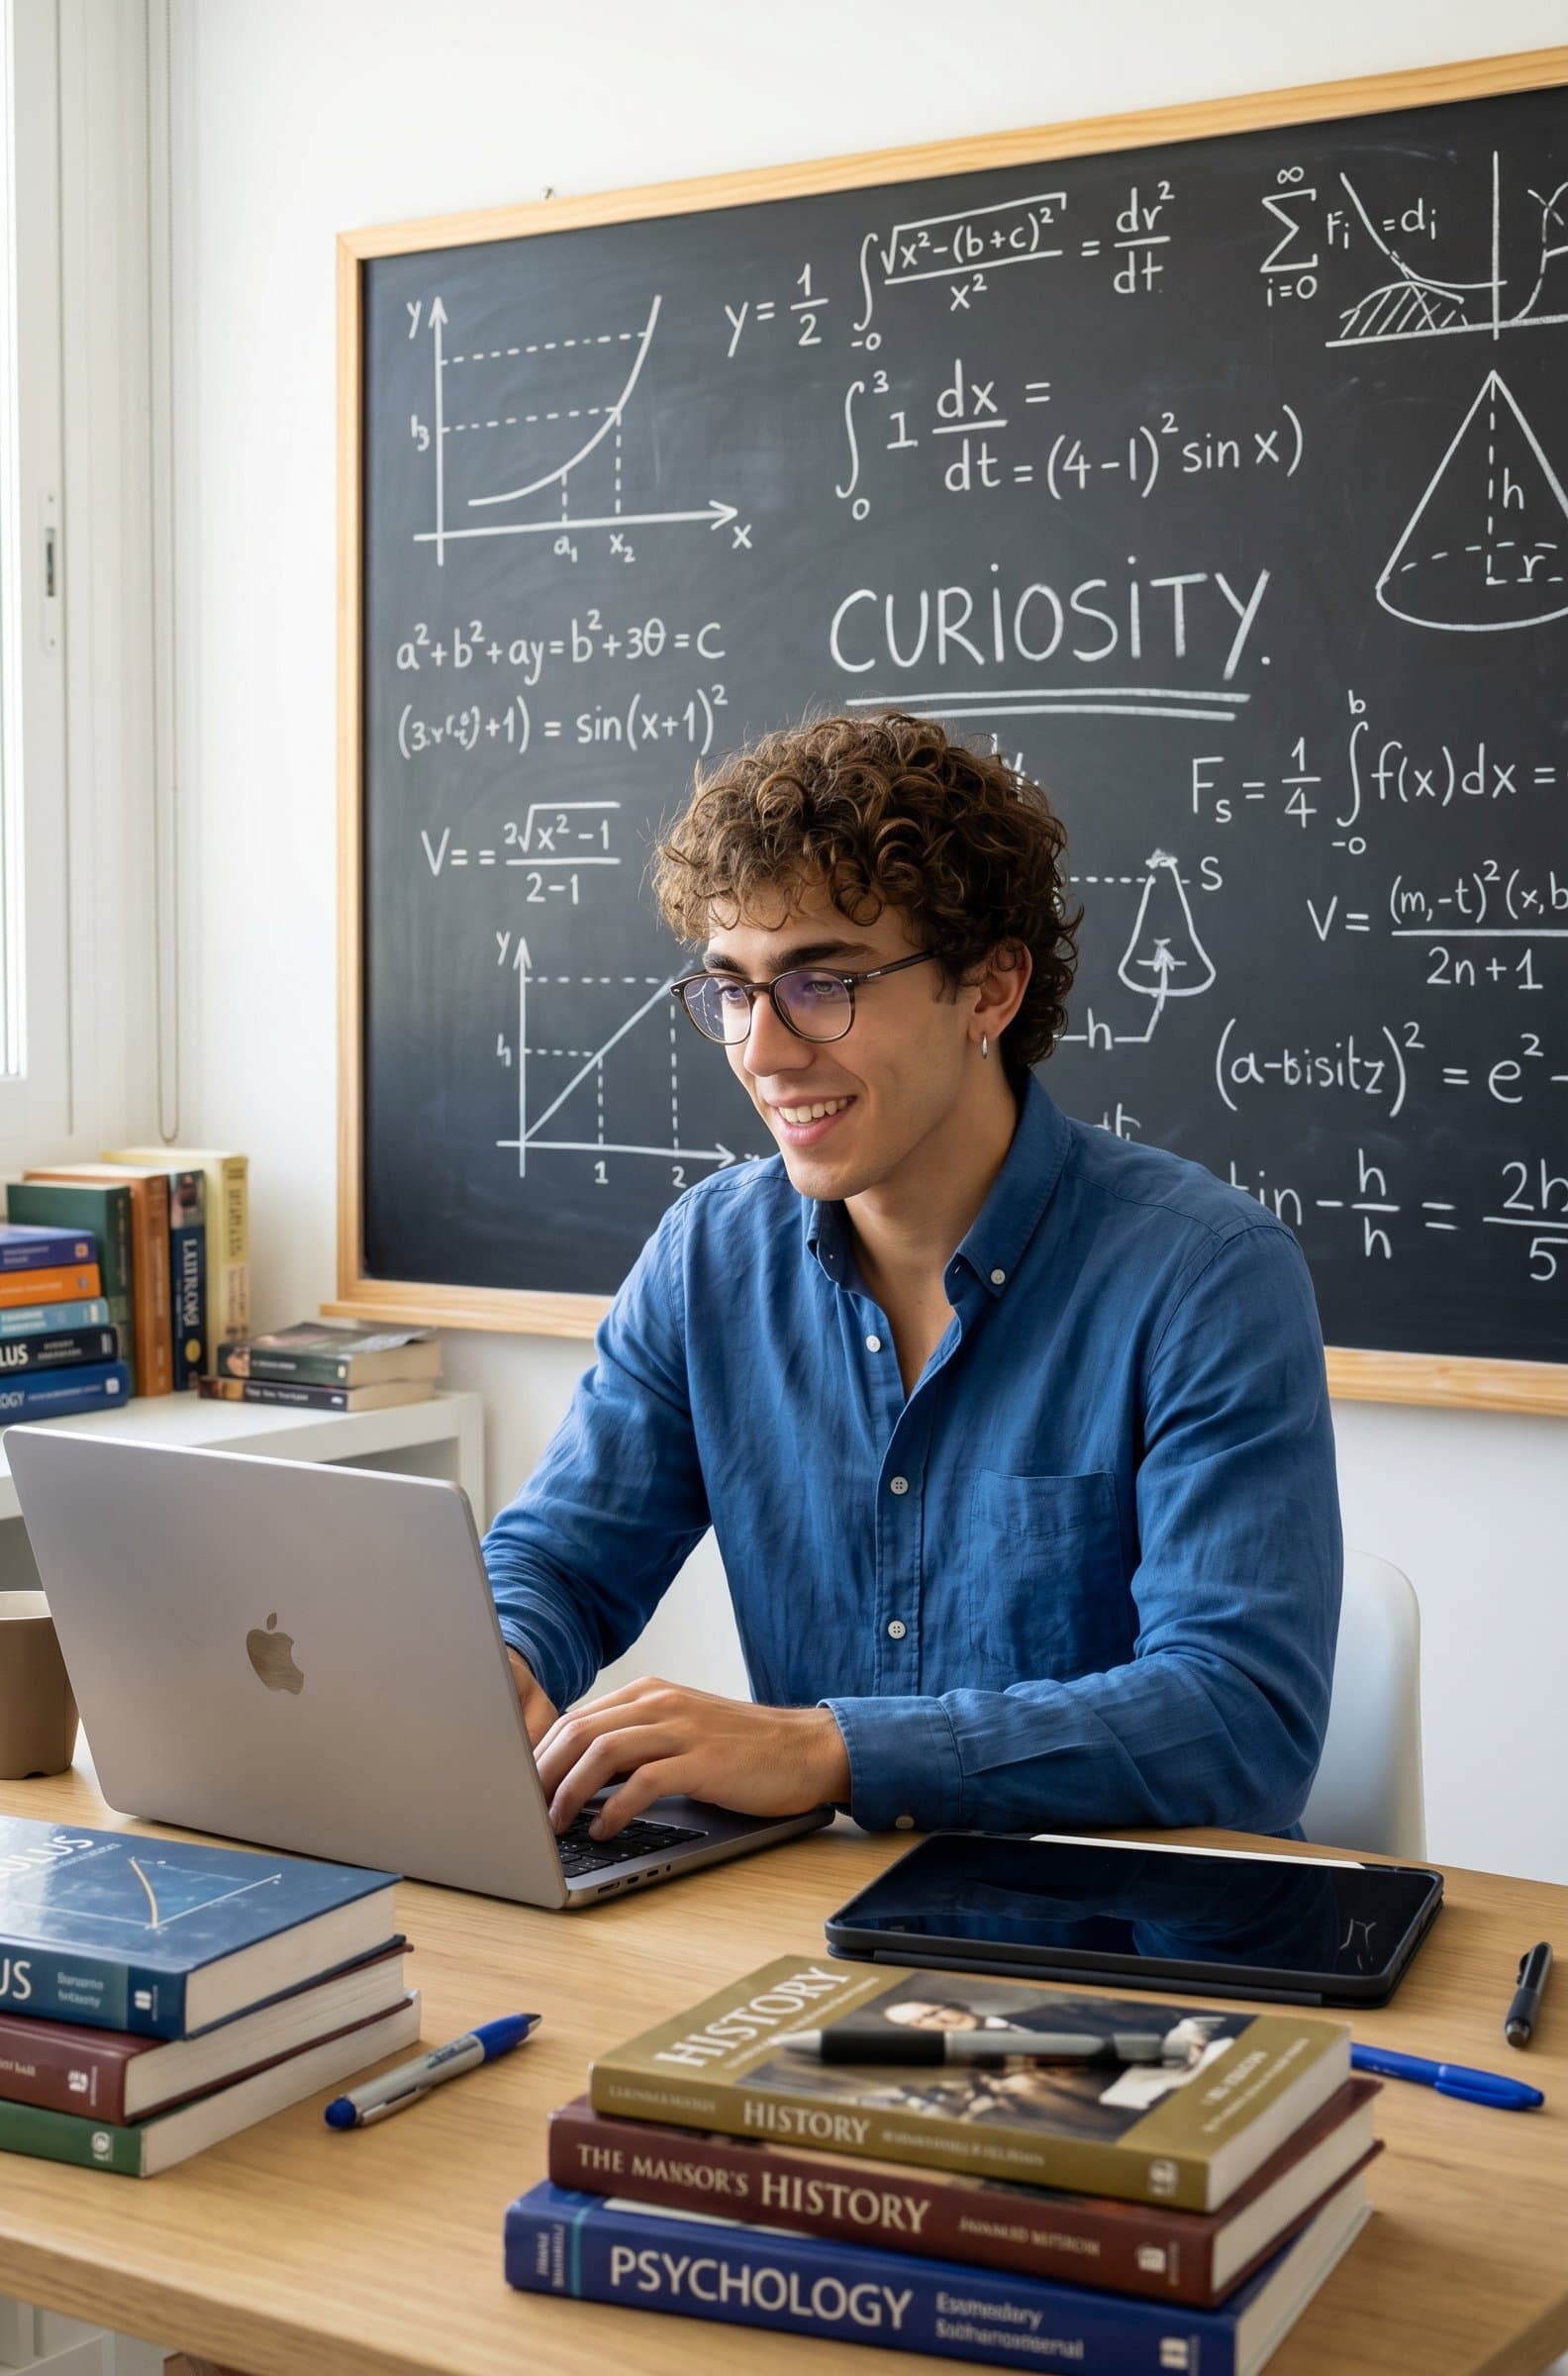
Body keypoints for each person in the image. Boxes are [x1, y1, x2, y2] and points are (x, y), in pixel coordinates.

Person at [483, 711, 1342, 1846]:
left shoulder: (1204, 1273)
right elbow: (557, 1559)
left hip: (1123, 1936)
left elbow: (1238, 1720)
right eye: (732, 990)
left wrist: (826, 1750)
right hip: (822, 1917)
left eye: (821, 984)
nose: (762, 1051)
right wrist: (498, 1657)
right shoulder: (708, 1257)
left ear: (988, 990)